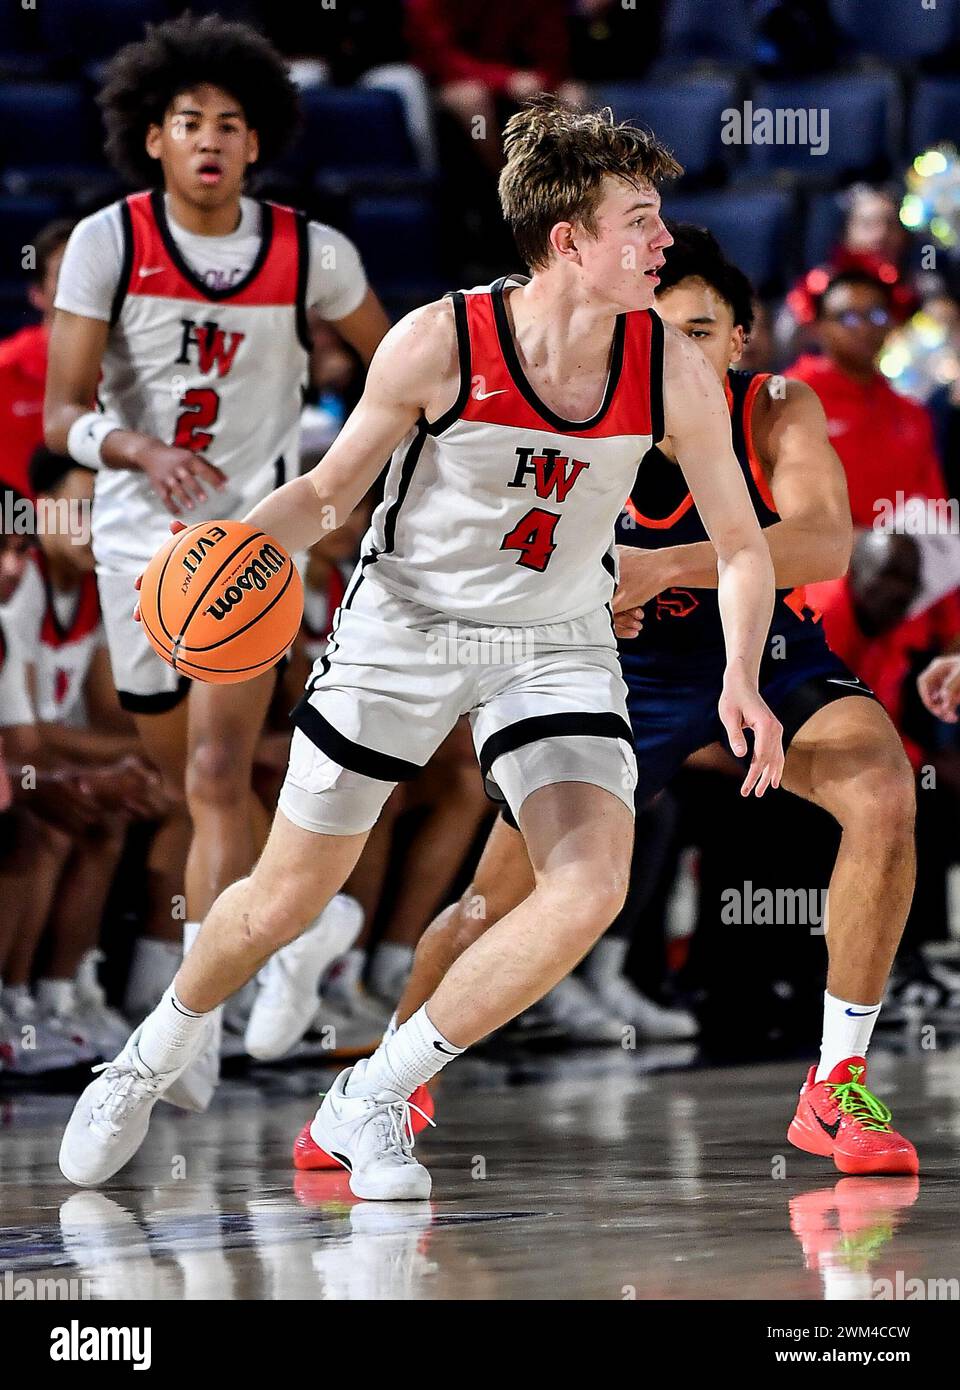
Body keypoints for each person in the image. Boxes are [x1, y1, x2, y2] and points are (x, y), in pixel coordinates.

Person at [59, 98, 783, 1199]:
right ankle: (149, 1053)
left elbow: (738, 543)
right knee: (284, 897)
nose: (663, 242)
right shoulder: (440, 340)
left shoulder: (670, 368)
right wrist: (224, 557)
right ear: (569, 241)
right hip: (408, 625)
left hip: (553, 637)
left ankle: (374, 1093)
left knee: (588, 882)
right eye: (639, 220)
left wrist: (742, 675)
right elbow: (326, 493)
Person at [296, 225, 922, 1178]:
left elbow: (824, 542)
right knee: (488, 907)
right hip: (607, 667)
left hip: (759, 651)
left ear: (744, 343)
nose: (686, 350)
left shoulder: (776, 407)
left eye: (706, 331)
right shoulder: (588, 410)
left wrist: (662, 564)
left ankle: (835, 1086)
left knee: (883, 789)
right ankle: (380, 1086)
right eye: (665, 329)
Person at [43, 14, 391, 1099]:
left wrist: (347, 493)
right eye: (188, 122)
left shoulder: (312, 251)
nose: (208, 140)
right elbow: (60, 412)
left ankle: (195, 1014)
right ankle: (297, 928)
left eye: (229, 125)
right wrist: (132, 442)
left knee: (212, 771)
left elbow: (411, 368)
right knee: (175, 777)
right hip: (135, 539)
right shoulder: (110, 240)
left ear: (256, 141)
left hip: (247, 542)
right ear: (152, 138)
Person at [788, 270, 949, 529]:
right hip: (818, 560)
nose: (864, 328)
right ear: (820, 327)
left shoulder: (910, 414)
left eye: (876, 315)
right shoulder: (788, 399)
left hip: (902, 560)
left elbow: (935, 510)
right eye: (848, 317)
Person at [0, 219, 74, 499]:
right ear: (37, 294)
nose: (83, 283)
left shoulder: (135, 372)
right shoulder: (5, 369)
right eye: (66, 271)